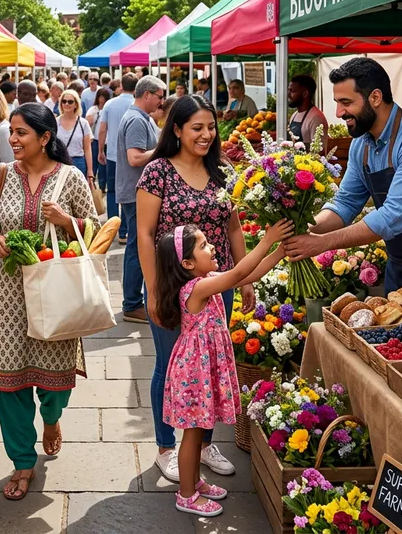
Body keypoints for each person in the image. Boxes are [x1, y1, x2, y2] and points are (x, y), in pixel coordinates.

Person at [0, 104, 99, 500]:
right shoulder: (1, 176)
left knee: (55, 385)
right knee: (8, 386)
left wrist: (66, 222)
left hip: (58, 296)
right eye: (12, 132)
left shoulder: (72, 178)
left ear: (45, 138)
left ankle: (53, 418)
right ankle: (22, 462)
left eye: (22, 133)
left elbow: (96, 233)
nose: (13, 139)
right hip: (6, 300)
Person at [284, 57, 402, 319]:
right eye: (337, 103)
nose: (339, 113)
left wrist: (319, 244)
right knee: (400, 348)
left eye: (346, 103)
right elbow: (345, 204)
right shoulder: (361, 145)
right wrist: (303, 227)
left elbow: (392, 216)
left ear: (375, 97)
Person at [137, 95, 254, 482]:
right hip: (173, 289)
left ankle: (202, 444)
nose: (206, 135)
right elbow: (145, 232)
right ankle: (166, 447)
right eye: (196, 128)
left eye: (210, 127)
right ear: (176, 130)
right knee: (171, 366)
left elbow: (233, 226)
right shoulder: (157, 171)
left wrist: (244, 276)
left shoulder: (222, 168)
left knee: (208, 367)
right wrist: (153, 291)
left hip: (217, 286)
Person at [155, 220, 292, 515]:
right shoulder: (198, 287)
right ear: (187, 263)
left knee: (201, 427)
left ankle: (195, 482)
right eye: (204, 245)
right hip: (195, 370)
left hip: (201, 367)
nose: (213, 246)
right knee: (193, 433)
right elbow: (241, 272)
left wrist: (279, 252)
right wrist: (267, 241)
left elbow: (249, 274)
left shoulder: (205, 280)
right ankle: (186, 494)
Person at [116, 76, 167, 323]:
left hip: (137, 192)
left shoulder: (141, 117)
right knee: (138, 247)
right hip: (137, 193)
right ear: (146, 94)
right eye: (159, 96)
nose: (161, 101)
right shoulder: (136, 119)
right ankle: (133, 303)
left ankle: (134, 302)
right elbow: (135, 158)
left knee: (137, 245)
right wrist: (164, 147)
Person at [98, 73, 137, 243]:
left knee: (113, 192)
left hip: (113, 154)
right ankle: (125, 230)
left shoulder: (109, 104)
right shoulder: (136, 105)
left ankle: (112, 230)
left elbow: (102, 129)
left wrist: (101, 150)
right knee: (131, 193)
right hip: (132, 154)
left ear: (121, 85)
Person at [56, 89, 93, 179]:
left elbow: (87, 149)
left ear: (76, 104)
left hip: (78, 163)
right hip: (59, 163)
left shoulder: (83, 123)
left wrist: (90, 171)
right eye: (64, 101)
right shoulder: (55, 122)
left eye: (70, 102)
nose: (66, 104)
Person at [287, 74, 328, 150]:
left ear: (305, 94)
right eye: (289, 90)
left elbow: (319, 151)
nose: (288, 95)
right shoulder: (294, 115)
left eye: (292, 91)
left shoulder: (316, 118)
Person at [87, 87, 111, 192]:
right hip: (96, 140)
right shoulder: (93, 109)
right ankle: (92, 185)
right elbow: (88, 123)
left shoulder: (109, 108)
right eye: (100, 97)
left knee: (103, 166)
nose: (102, 99)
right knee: (94, 163)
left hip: (107, 141)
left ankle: (102, 187)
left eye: (104, 97)